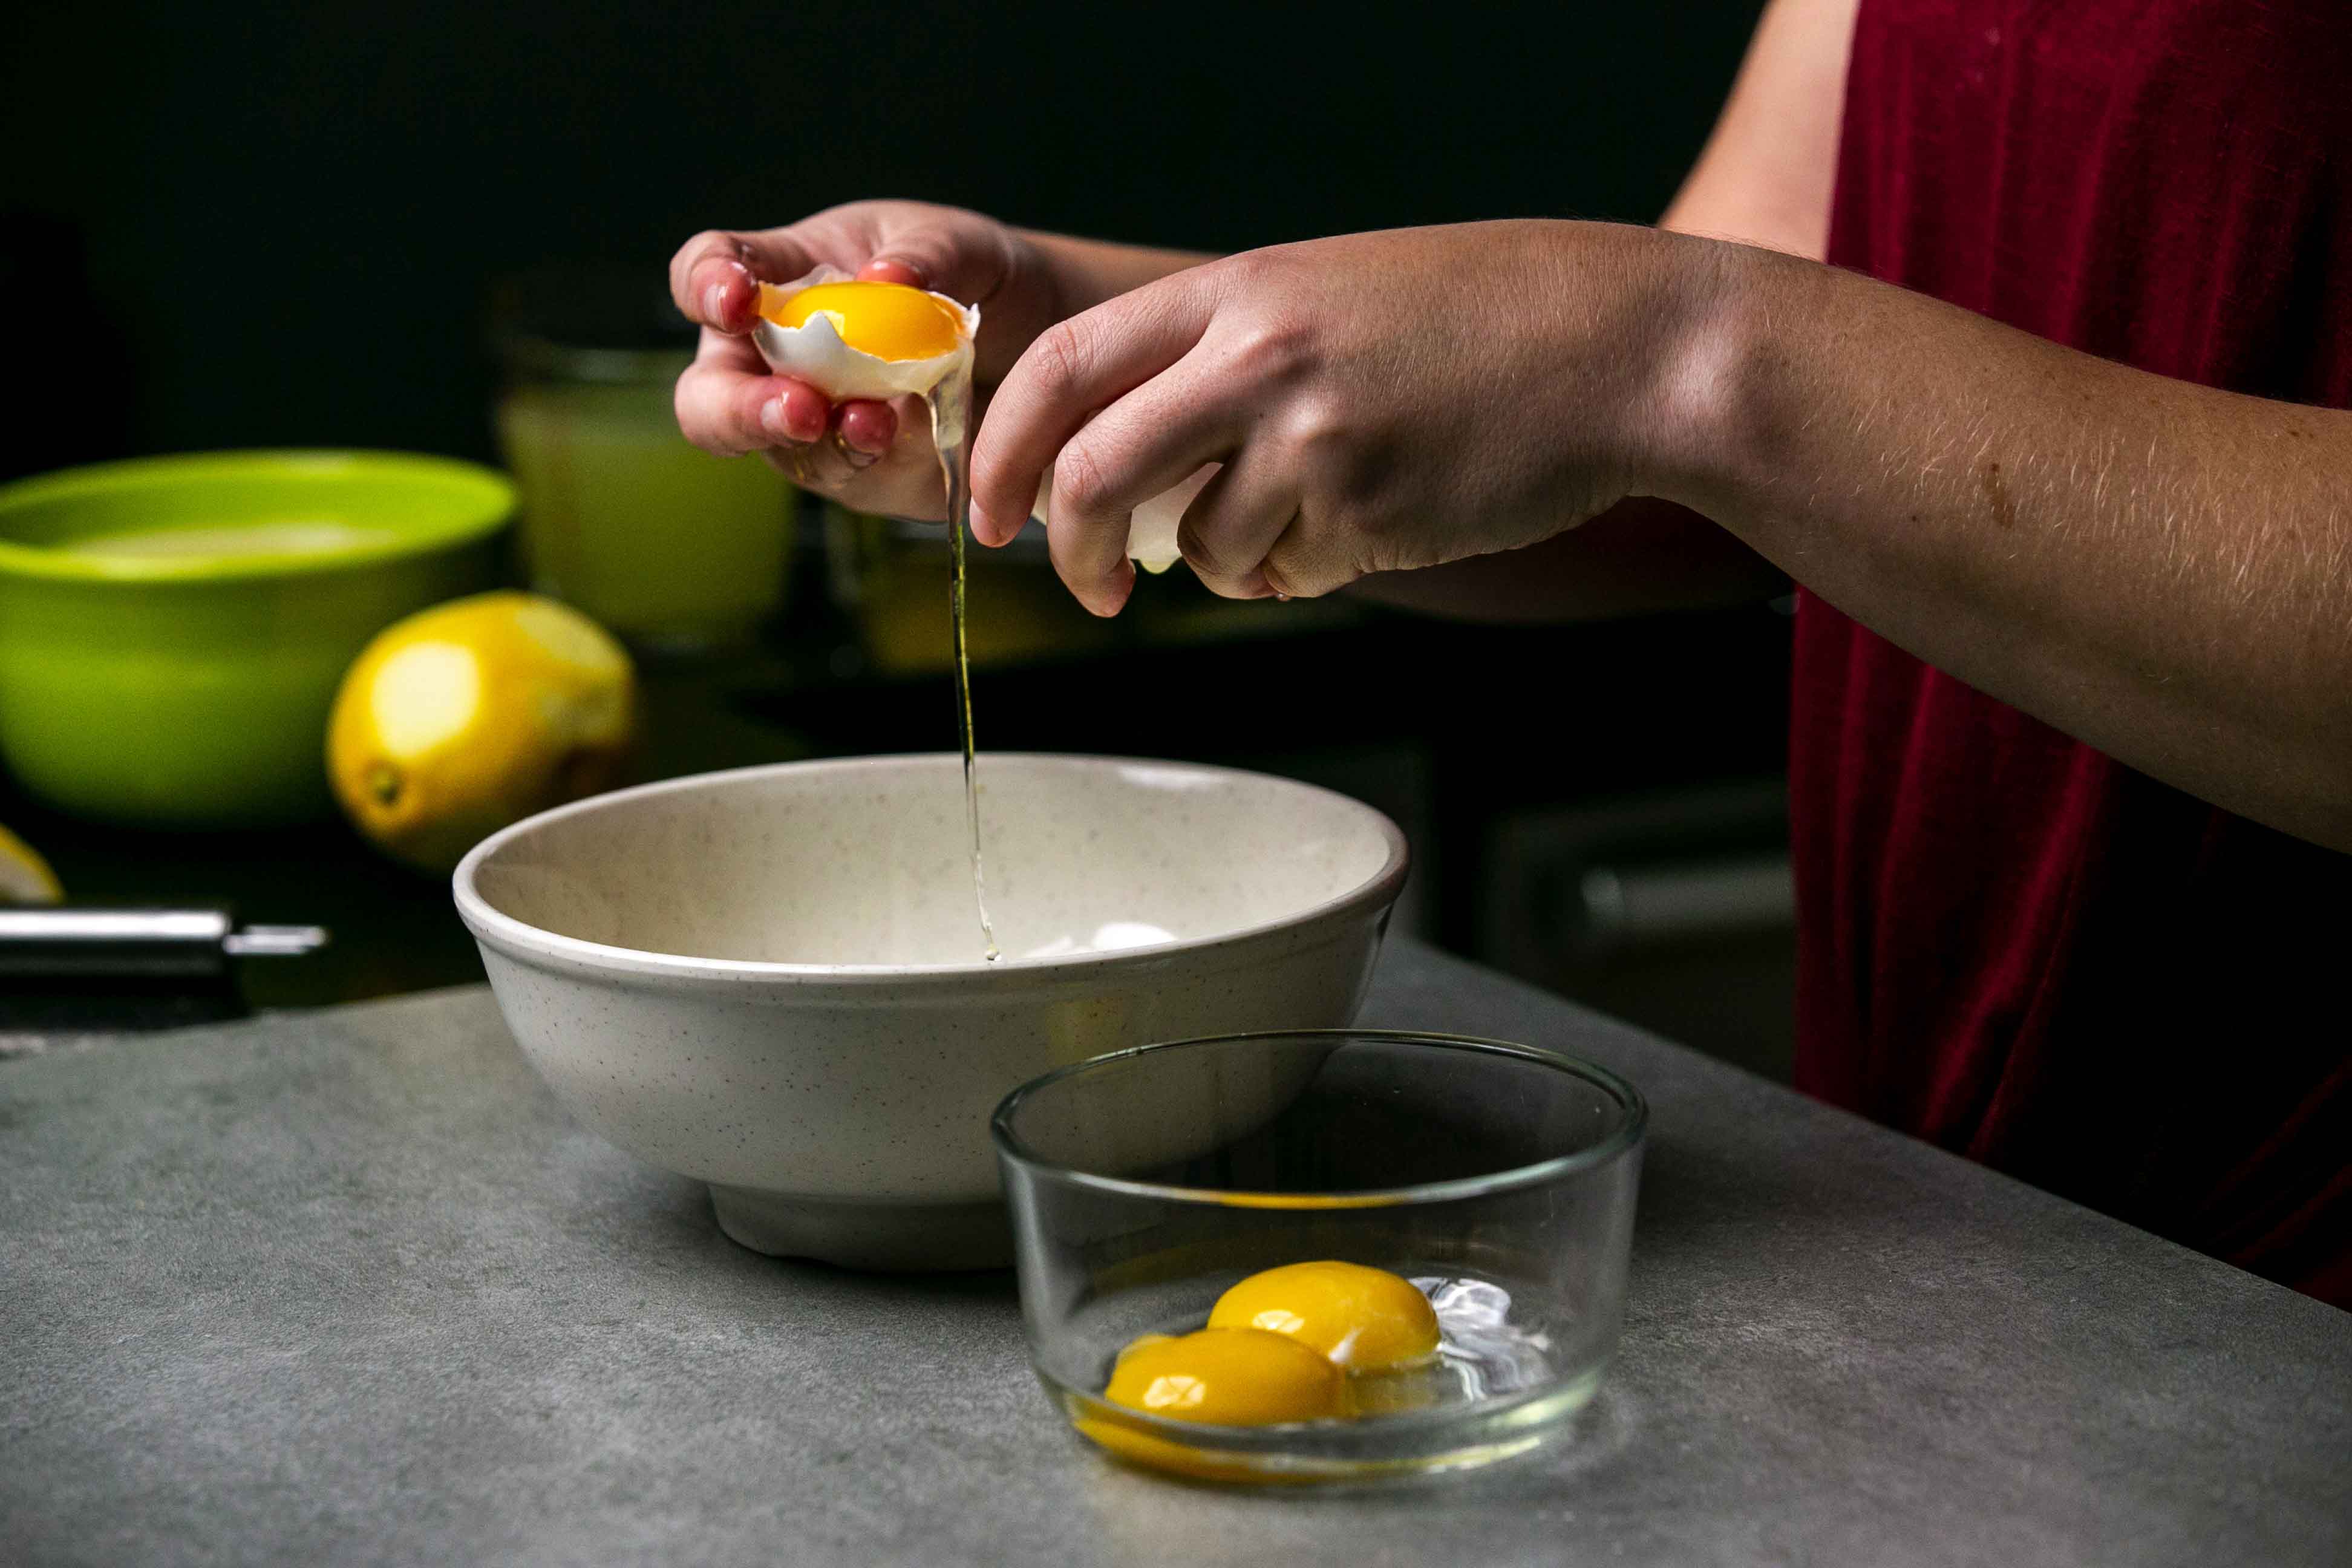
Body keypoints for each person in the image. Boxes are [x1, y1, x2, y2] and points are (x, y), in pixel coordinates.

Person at [669, 0, 2350, 1305]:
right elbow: (1783, 448)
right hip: (1966, 1228)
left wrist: (1670, 351)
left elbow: (1734, 366)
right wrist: (1084, 359)